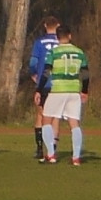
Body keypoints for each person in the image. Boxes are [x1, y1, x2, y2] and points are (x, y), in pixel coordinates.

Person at [34, 25, 89, 165]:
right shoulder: (79, 52)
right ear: (70, 36)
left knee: (46, 120)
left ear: (57, 38)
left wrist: (39, 90)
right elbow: (86, 74)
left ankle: (51, 155)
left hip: (58, 89)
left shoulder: (54, 52)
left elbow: (46, 73)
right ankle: (76, 157)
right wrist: (85, 91)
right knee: (74, 123)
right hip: (73, 90)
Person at [28, 16, 61, 159]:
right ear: (58, 25)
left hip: (44, 82)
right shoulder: (62, 42)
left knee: (41, 115)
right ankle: (52, 148)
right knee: (55, 117)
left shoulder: (39, 42)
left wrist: (34, 74)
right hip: (59, 84)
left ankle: (40, 148)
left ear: (45, 26)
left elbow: (33, 62)